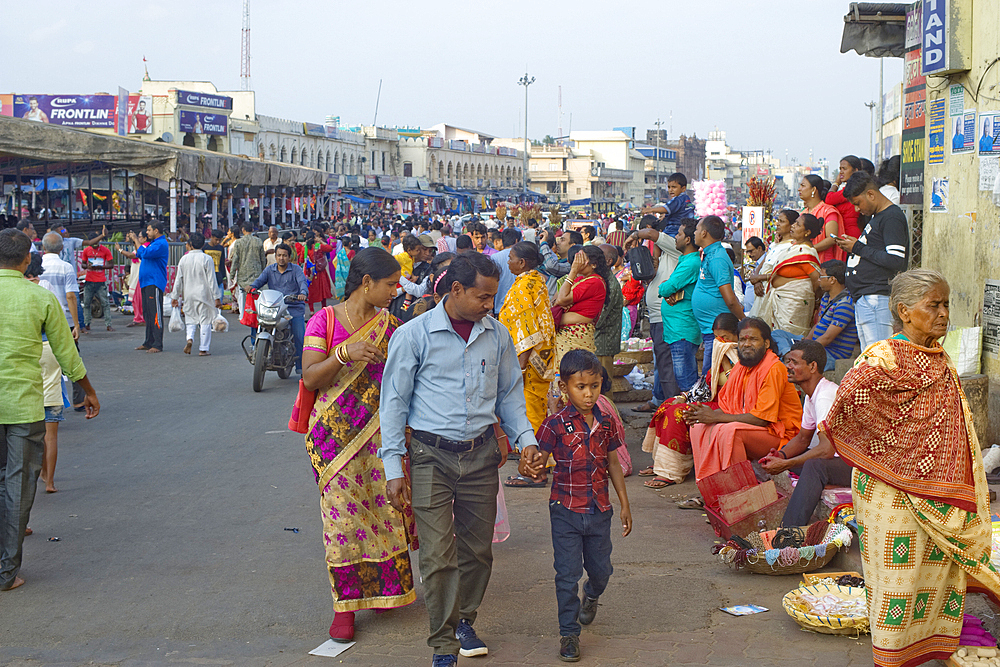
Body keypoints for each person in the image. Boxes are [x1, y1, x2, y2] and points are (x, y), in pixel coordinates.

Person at [823, 270, 1000, 667]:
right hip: (887, 490)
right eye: (932, 305)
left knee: (935, 573)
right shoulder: (882, 356)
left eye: (946, 304)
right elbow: (846, 408)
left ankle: (930, 649)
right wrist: (893, 451)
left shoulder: (941, 359)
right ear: (904, 311)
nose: (943, 313)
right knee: (895, 582)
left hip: (936, 490)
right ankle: (890, 658)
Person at [379, 253, 537, 665]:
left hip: (481, 454)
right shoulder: (413, 336)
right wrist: (393, 467)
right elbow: (393, 405)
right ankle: (444, 644)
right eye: (483, 297)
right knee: (436, 555)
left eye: (492, 297)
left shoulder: (497, 335)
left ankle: (465, 618)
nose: (490, 305)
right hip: (430, 456)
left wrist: (527, 441)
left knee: (477, 551)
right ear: (455, 290)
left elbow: (510, 395)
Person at [298, 247, 416, 643]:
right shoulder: (324, 320)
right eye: (389, 284)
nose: (394, 291)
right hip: (334, 439)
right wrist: (343, 354)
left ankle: (384, 590)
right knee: (341, 522)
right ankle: (344, 607)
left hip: (382, 437)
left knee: (384, 510)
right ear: (366, 283)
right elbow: (311, 378)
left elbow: (403, 385)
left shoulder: (393, 326)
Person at [517, 350, 632, 663]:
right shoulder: (554, 424)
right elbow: (535, 459)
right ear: (565, 386)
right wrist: (531, 468)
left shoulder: (607, 423)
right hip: (565, 511)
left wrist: (624, 503)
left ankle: (592, 594)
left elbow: (613, 463)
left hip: (599, 511)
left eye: (594, 386)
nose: (588, 393)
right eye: (580, 386)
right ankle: (568, 633)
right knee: (566, 575)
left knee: (602, 570)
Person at [0, 229, 99, 591]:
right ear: (28, 259)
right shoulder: (39, 297)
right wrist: (86, 390)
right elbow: (66, 351)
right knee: (19, 484)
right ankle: (5, 572)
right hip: (25, 407)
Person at [686, 317, 802, 482]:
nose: (747, 344)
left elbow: (761, 419)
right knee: (699, 427)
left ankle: (740, 491)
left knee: (730, 431)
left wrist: (715, 417)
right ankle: (712, 487)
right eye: (742, 340)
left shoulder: (774, 368)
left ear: (767, 343)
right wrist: (701, 415)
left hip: (782, 437)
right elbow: (728, 408)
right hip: (756, 430)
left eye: (753, 339)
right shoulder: (740, 367)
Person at [640, 314, 740, 488]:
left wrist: (725, 360)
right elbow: (705, 384)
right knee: (669, 404)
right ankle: (661, 464)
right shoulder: (719, 354)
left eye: (726, 337)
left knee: (678, 413)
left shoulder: (741, 356)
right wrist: (684, 396)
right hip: (714, 401)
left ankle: (672, 471)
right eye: (717, 337)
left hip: (730, 406)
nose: (721, 341)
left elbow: (737, 385)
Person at [757, 340, 846, 526]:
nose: (788, 366)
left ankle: (788, 534)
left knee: (814, 467)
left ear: (812, 366)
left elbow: (826, 450)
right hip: (838, 460)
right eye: (788, 361)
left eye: (794, 362)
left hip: (858, 466)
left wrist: (786, 463)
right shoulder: (812, 395)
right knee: (798, 461)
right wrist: (780, 455)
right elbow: (803, 438)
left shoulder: (825, 396)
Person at [835, 172, 909, 351]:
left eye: (857, 203)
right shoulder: (877, 217)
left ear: (871, 194)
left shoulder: (891, 217)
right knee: (870, 358)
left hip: (877, 297)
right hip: (867, 298)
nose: (856, 209)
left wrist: (857, 247)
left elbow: (895, 259)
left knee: (879, 358)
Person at [624, 215, 683, 413]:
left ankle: (669, 409)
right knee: (660, 362)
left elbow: (651, 234)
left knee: (667, 365)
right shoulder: (660, 259)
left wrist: (634, 235)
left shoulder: (675, 250)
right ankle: (660, 400)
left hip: (668, 317)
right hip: (658, 317)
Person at [498, 242, 555, 437]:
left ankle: (538, 458)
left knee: (530, 409)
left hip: (529, 362)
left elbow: (527, 333)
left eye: (511, 258)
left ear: (521, 262)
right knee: (537, 406)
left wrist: (520, 368)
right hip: (542, 357)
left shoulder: (522, 288)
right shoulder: (536, 280)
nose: (508, 261)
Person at [24, 254, 63, 494]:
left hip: (26, 350)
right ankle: (49, 480)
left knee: (25, 434)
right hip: (50, 349)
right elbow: (57, 325)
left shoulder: (13, 289)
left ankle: (35, 475)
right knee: (51, 433)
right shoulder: (45, 288)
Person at [757, 213, 822, 355]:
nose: (793, 226)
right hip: (780, 301)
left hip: (795, 303)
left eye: (797, 224)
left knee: (788, 339)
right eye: (794, 223)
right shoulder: (792, 247)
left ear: (807, 232)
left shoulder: (807, 252)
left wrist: (815, 299)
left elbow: (816, 280)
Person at [655, 220, 703, 394]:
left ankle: (694, 418)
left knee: (686, 382)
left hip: (682, 329)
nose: (676, 237)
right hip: (677, 328)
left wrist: (664, 288)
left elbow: (667, 287)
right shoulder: (686, 261)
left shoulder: (691, 263)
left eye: (679, 234)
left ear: (688, 240)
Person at [691, 215, 745, 365]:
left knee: (713, 378)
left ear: (704, 233)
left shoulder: (717, 258)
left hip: (717, 331)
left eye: (696, 229)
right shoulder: (710, 254)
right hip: (710, 329)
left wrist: (744, 320)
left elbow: (729, 299)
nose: (694, 233)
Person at [250, 244, 309, 373]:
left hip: (293, 307)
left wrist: (303, 293)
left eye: (284, 255)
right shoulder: (269, 270)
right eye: (279, 255)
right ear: (275, 256)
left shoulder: (296, 270)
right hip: (274, 307)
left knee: (300, 336)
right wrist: (252, 287)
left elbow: (302, 283)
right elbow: (259, 281)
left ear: (289, 257)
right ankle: (256, 349)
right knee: (258, 321)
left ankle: (301, 367)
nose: (281, 258)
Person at [552, 245, 608, 370]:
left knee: (574, 375)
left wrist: (572, 271)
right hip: (567, 336)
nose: (577, 262)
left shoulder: (595, 282)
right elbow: (556, 301)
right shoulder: (581, 280)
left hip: (576, 336)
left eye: (581, 258)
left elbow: (561, 300)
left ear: (593, 265)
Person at [170, 233, 222, 356]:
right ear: (203, 244)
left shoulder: (184, 259)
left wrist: (174, 297)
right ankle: (203, 348)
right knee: (205, 321)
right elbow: (212, 280)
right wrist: (217, 297)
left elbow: (178, 280)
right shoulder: (206, 259)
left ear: (191, 245)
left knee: (191, 319)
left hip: (189, 294)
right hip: (204, 294)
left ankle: (190, 338)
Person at [806, 260, 859, 371]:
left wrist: (805, 350)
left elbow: (828, 338)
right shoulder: (826, 296)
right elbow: (818, 324)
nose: (818, 280)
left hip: (831, 355)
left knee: (794, 361)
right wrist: (806, 342)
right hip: (817, 347)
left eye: (821, 277)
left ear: (832, 280)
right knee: (778, 335)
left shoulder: (845, 304)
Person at [129, 222, 169, 353]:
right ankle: (148, 341)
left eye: (149, 230)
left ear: (156, 231)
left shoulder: (161, 244)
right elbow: (140, 254)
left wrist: (136, 239)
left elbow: (145, 254)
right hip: (146, 282)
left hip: (154, 282)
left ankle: (157, 343)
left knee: (155, 313)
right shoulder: (153, 243)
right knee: (147, 313)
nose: (147, 232)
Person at [227, 223, 267, 342]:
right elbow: (262, 260)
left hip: (243, 276)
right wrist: (264, 273)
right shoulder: (258, 242)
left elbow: (235, 260)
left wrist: (232, 274)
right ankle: (258, 320)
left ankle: (245, 317)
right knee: (257, 299)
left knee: (244, 299)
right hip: (257, 275)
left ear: (243, 230)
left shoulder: (238, 243)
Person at [40, 232, 81, 341]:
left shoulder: (36, 266)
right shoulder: (66, 267)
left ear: (43, 247)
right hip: (64, 319)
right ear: (61, 248)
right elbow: (71, 296)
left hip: (41, 317)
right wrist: (76, 324)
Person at [594, 245, 624, 391]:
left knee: (603, 385)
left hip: (603, 343)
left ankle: (608, 413)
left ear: (608, 261)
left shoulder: (610, 284)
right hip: (599, 342)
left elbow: (600, 317)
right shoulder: (603, 280)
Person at [799, 175, 844, 263]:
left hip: (823, 263)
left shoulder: (828, 211)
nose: (799, 189)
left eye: (803, 186)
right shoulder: (803, 213)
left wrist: (810, 250)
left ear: (813, 190)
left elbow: (832, 239)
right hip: (804, 260)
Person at [79, 232, 115, 333]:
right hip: (89, 280)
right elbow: (83, 264)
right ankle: (87, 323)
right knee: (86, 303)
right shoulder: (86, 250)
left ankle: (108, 324)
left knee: (105, 303)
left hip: (101, 280)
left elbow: (111, 264)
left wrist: (101, 267)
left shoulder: (105, 250)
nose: (94, 245)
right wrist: (88, 266)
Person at [824, 155, 863, 238]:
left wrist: (836, 183)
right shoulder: (850, 187)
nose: (841, 172)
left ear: (855, 171)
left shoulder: (853, 188)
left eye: (844, 169)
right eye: (840, 169)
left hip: (850, 233)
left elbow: (829, 199)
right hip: (843, 232)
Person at [490, 228, 521, 316]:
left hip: (500, 308)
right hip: (518, 308)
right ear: (516, 241)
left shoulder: (495, 258)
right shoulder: (521, 258)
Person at [742, 236, 766, 313]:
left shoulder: (767, 262)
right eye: (747, 252)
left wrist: (758, 279)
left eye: (751, 251)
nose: (749, 254)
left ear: (759, 248)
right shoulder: (757, 264)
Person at [203, 229, 227, 302]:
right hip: (207, 275)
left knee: (219, 298)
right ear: (211, 237)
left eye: (219, 240)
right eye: (216, 239)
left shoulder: (220, 248)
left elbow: (222, 263)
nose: (218, 242)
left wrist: (224, 278)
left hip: (218, 275)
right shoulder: (205, 248)